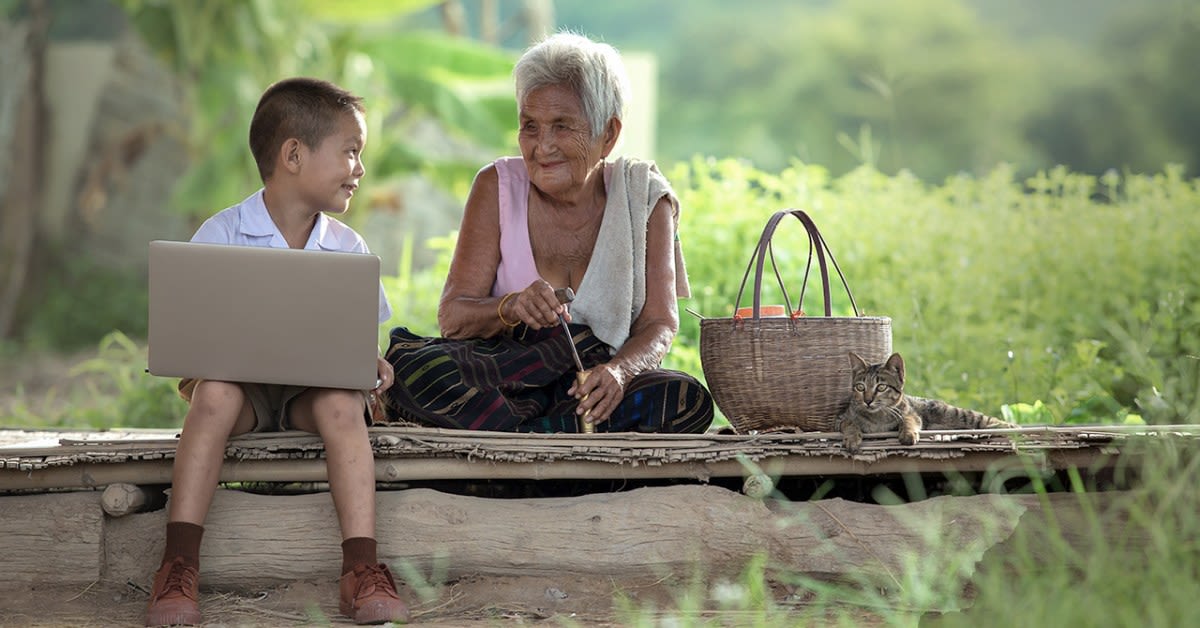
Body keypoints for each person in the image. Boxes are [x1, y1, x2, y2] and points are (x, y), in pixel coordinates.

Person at [144, 78, 410, 626]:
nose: (359, 169)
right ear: (294, 154)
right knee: (213, 394)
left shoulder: (347, 248)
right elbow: (193, 338)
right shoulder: (221, 235)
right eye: (351, 152)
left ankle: (360, 567)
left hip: (308, 398)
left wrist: (373, 364)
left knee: (342, 404)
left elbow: (360, 343)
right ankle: (177, 567)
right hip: (240, 398)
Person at [382, 33, 714, 434]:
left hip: (592, 388)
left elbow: (660, 324)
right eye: (530, 126)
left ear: (607, 134)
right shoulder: (497, 186)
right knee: (418, 370)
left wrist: (617, 372)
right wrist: (511, 307)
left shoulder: (644, 198)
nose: (542, 146)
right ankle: (560, 445)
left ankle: (515, 450)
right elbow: (453, 318)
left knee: (684, 399)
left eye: (561, 126)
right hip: (508, 377)